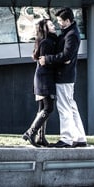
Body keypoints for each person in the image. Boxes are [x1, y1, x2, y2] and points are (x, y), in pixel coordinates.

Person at [39, 7, 87, 147]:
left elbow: (66, 56)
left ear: (67, 20)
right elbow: (65, 57)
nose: (58, 23)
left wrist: (47, 59)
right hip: (66, 76)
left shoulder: (71, 35)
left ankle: (66, 139)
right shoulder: (68, 32)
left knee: (64, 108)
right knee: (71, 107)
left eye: (60, 21)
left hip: (64, 77)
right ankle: (80, 138)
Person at [22, 18, 57, 147]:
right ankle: (31, 132)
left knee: (42, 109)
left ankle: (40, 138)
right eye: (51, 25)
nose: (54, 26)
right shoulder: (47, 42)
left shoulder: (46, 41)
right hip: (45, 79)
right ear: (45, 28)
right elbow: (45, 61)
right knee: (48, 108)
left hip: (42, 78)